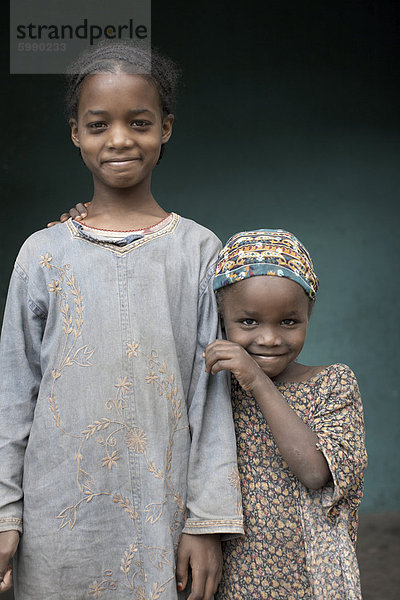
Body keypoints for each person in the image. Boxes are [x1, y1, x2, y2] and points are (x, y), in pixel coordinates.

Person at [0, 41, 243, 600]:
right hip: (56, 518)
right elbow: (14, 394)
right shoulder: (42, 253)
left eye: (139, 122)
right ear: (74, 133)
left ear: (166, 128)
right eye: (97, 124)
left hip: (162, 510)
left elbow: (212, 400)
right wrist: (7, 513)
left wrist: (206, 523)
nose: (118, 139)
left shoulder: (199, 251)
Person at [203, 229, 367, 600]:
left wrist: (257, 380)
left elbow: (314, 472)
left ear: (308, 314)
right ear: (221, 317)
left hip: (312, 581)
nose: (270, 339)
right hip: (233, 581)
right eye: (248, 322)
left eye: (288, 322)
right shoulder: (213, 389)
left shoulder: (333, 385)